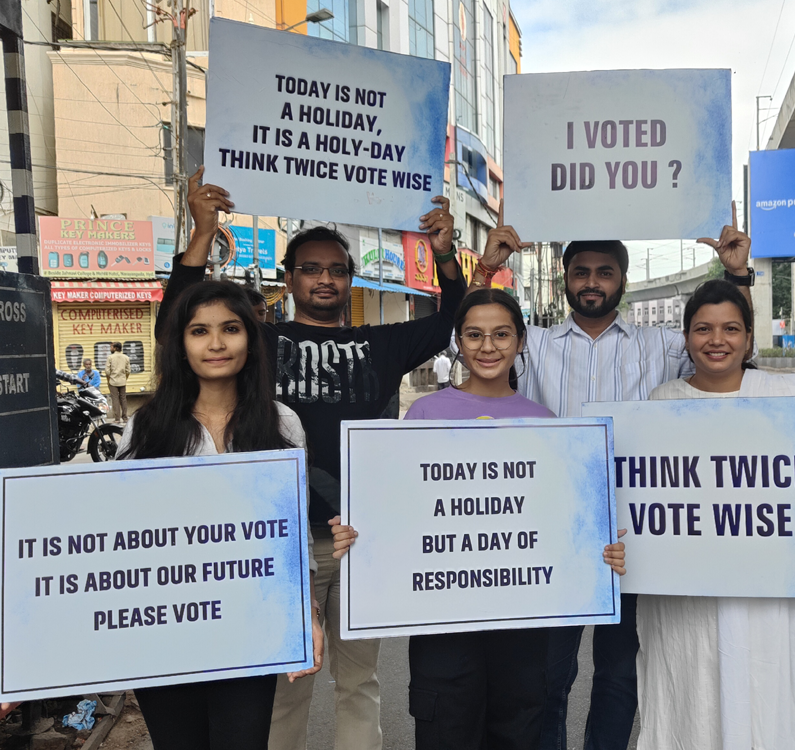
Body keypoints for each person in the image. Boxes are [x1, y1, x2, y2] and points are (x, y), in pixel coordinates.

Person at [158, 165, 465, 750]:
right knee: (284, 684)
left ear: (351, 278)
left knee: (359, 682)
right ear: (289, 277)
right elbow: (178, 322)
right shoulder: (258, 342)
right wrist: (201, 233)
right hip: (278, 539)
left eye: (336, 269)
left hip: (358, 537)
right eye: (311, 269)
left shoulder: (384, 343)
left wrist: (446, 256)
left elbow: (453, 319)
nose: (325, 279)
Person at [0, 281, 324, 749]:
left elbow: (290, 536)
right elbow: (109, 535)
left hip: (249, 630)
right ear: (180, 345)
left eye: (231, 329)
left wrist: (308, 613)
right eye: (199, 331)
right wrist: (30, 632)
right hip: (163, 635)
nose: (216, 343)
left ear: (251, 339)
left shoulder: (283, 423)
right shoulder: (149, 426)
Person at [471, 205, 755, 750]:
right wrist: (485, 273)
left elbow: (732, 353)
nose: (592, 283)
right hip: (554, 534)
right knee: (549, 678)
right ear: (566, 279)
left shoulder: (663, 346)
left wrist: (737, 276)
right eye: (582, 272)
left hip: (636, 532)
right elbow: (468, 343)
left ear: (622, 280)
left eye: (605, 272)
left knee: (621, 677)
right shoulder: (532, 346)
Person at [329, 288, 626, 750]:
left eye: (501, 334)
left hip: (522, 629)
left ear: (521, 341)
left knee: (520, 730)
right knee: (448, 730)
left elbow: (557, 522)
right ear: (458, 342)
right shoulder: (425, 413)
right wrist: (360, 536)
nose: (488, 347)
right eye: (474, 335)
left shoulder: (545, 423)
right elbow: (401, 510)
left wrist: (598, 547)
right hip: (443, 625)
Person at [635, 280, 795, 750]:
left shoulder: (786, 397)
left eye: (730, 329)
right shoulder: (661, 404)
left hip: (774, 598)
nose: (716, 340)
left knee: (771, 705)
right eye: (702, 328)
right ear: (685, 338)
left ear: (748, 337)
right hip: (687, 601)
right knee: (693, 702)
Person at [105, 342, 131, 423]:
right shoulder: (126, 357)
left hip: (113, 382)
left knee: (115, 399)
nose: (110, 348)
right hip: (122, 381)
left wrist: (109, 379)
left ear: (115, 348)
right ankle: (125, 418)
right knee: (123, 399)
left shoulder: (110, 357)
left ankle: (117, 419)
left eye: (111, 347)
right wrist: (124, 378)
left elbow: (107, 372)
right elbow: (128, 371)